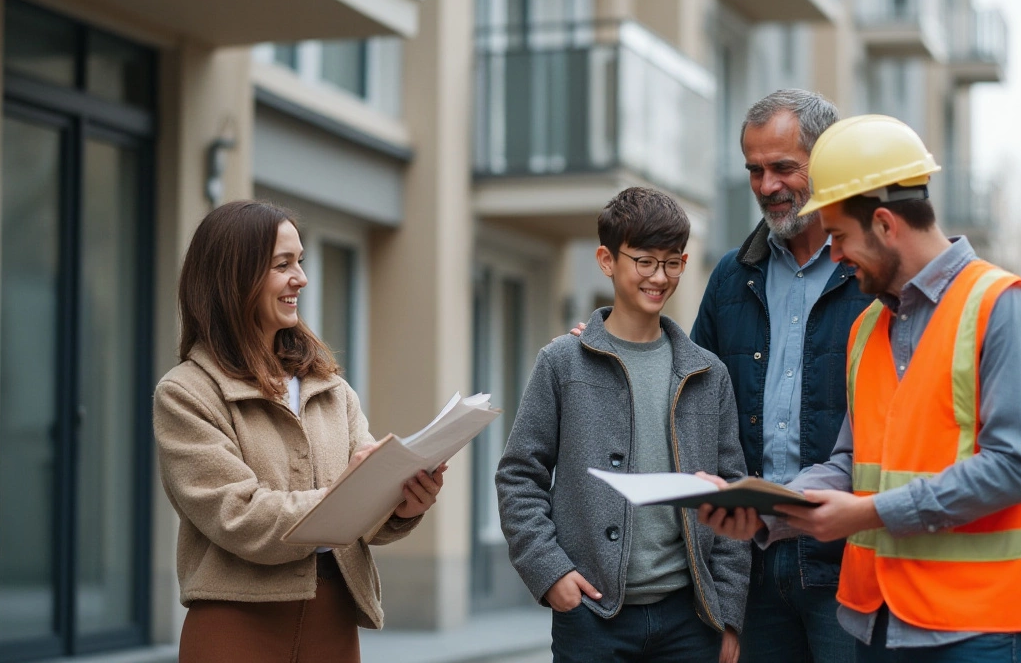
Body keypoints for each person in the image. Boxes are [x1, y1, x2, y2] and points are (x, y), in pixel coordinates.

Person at [718, 114, 1021, 663]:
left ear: (884, 224)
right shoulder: (869, 329)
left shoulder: (1007, 310)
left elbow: (1014, 467)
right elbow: (849, 461)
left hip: (975, 629)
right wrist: (760, 507)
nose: (832, 255)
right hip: (877, 623)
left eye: (838, 236)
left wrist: (866, 513)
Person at [153, 200, 445, 663]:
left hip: (333, 623)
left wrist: (401, 504)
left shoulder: (332, 388)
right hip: (235, 627)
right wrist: (347, 496)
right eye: (282, 265)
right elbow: (237, 515)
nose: (301, 279)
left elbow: (363, 506)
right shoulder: (186, 393)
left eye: (300, 262)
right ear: (235, 277)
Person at [496, 187, 751, 663]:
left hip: (691, 621)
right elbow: (518, 476)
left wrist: (729, 613)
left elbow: (731, 497)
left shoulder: (707, 373)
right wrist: (550, 573)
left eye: (673, 263)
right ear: (606, 260)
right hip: (591, 617)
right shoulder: (561, 363)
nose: (660, 277)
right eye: (645, 262)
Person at [691, 89, 872, 663]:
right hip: (753, 562)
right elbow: (689, 388)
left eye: (783, 168)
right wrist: (606, 339)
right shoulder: (730, 276)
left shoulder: (869, 276)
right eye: (754, 170)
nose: (767, 186)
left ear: (827, 165)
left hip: (845, 559)